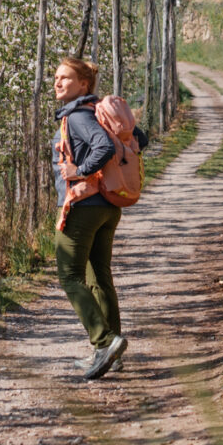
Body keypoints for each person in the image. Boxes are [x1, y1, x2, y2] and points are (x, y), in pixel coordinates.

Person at [51, 57, 148, 380]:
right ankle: (111, 353)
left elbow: (104, 147)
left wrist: (79, 170)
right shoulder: (100, 113)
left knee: (69, 275)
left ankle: (104, 341)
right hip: (109, 204)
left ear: (84, 85)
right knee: (99, 275)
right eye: (56, 77)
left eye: (65, 78)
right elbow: (140, 139)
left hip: (84, 206)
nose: (57, 83)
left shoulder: (78, 116)